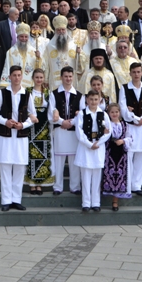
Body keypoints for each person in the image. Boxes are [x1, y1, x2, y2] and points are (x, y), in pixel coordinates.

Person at [0, 66, 36, 212]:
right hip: (5, 135)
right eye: (14, 75)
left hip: (21, 136)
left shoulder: (27, 94)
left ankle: (16, 199)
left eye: (19, 75)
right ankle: (5, 200)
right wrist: (5, 122)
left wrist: (23, 125)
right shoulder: (2, 93)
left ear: (22, 77)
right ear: (9, 77)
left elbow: (33, 116)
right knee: (5, 167)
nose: (17, 78)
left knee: (19, 168)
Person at [120, 62, 142, 195]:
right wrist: (134, 118)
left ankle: (136, 185)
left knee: (141, 156)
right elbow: (123, 108)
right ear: (130, 73)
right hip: (130, 127)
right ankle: (127, 184)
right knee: (129, 156)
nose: (136, 74)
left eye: (138, 72)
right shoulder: (124, 88)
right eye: (134, 72)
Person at [48, 66, 84, 195]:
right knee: (58, 160)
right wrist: (61, 122)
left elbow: (82, 114)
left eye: (70, 76)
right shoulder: (54, 93)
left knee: (74, 160)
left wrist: (71, 122)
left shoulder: (79, 95)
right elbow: (50, 113)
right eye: (65, 76)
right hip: (60, 131)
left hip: (74, 132)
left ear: (73, 77)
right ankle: (57, 186)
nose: (68, 79)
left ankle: (75, 187)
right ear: (61, 77)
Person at [75, 90, 111, 212]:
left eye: (96, 99)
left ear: (100, 100)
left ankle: (96, 202)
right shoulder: (82, 113)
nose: (93, 102)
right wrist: (90, 144)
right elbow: (79, 132)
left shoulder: (104, 114)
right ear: (87, 100)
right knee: (85, 176)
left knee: (96, 176)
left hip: (98, 147)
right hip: (86, 147)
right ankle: (86, 203)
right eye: (91, 99)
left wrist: (98, 143)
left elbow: (108, 131)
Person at [25, 68, 53, 195]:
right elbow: (25, 108)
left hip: (44, 127)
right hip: (31, 127)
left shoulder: (48, 93)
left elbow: (51, 110)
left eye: (41, 77)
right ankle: (32, 184)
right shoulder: (28, 92)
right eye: (37, 77)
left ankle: (40, 184)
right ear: (33, 78)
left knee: (42, 155)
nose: (39, 80)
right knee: (31, 155)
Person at [102, 103, 132, 211]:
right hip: (109, 153)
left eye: (116, 112)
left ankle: (115, 201)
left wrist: (123, 141)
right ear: (108, 113)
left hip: (121, 155)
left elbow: (130, 138)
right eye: (112, 112)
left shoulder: (124, 125)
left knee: (119, 177)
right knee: (108, 176)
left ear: (119, 113)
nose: (114, 114)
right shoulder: (106, 124)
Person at [45, 15, 86, 90]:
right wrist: (46, 79)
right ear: (55, 31)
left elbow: (82, 63)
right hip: (55, 80)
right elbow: (46, 64)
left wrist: (79, 54)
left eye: (63, 30)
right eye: (58, 30)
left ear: (66, 30)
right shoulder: (49, 46)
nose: (61, 32)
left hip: (71, 79)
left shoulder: (74, 45)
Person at [0, 23, 45, 90]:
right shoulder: (10, 52)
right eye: (21, 36)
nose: (24, 39)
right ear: (17, 37)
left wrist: (39, 58)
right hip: (15, 86)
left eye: (26, 37)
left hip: (29, 85)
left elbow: (38, 69)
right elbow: (7, 67)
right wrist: (5, 84)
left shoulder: (33, 51)